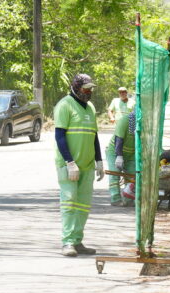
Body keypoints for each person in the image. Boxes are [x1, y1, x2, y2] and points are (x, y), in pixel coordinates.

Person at [54, 73, 105, 257]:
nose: (89, 91)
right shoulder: (65, 105)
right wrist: (69, 162)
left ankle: (77, 240)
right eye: (86, 88)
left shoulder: (90, 107)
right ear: (76, 88)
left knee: (83, 205)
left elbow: (94, 136)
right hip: (69, 165)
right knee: (69, 203)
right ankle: (67, 242)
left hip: (87, 165)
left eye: (91, 88)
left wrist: (99, 160)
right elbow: (59, 136)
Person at [106, 110, 136, 206]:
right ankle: (115, 199)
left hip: (131, 154)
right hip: (115, 152)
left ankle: (128, 199)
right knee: (115, 174)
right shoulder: (125, 121)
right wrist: (119, 156)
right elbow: (118, 140)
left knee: (132, 176)